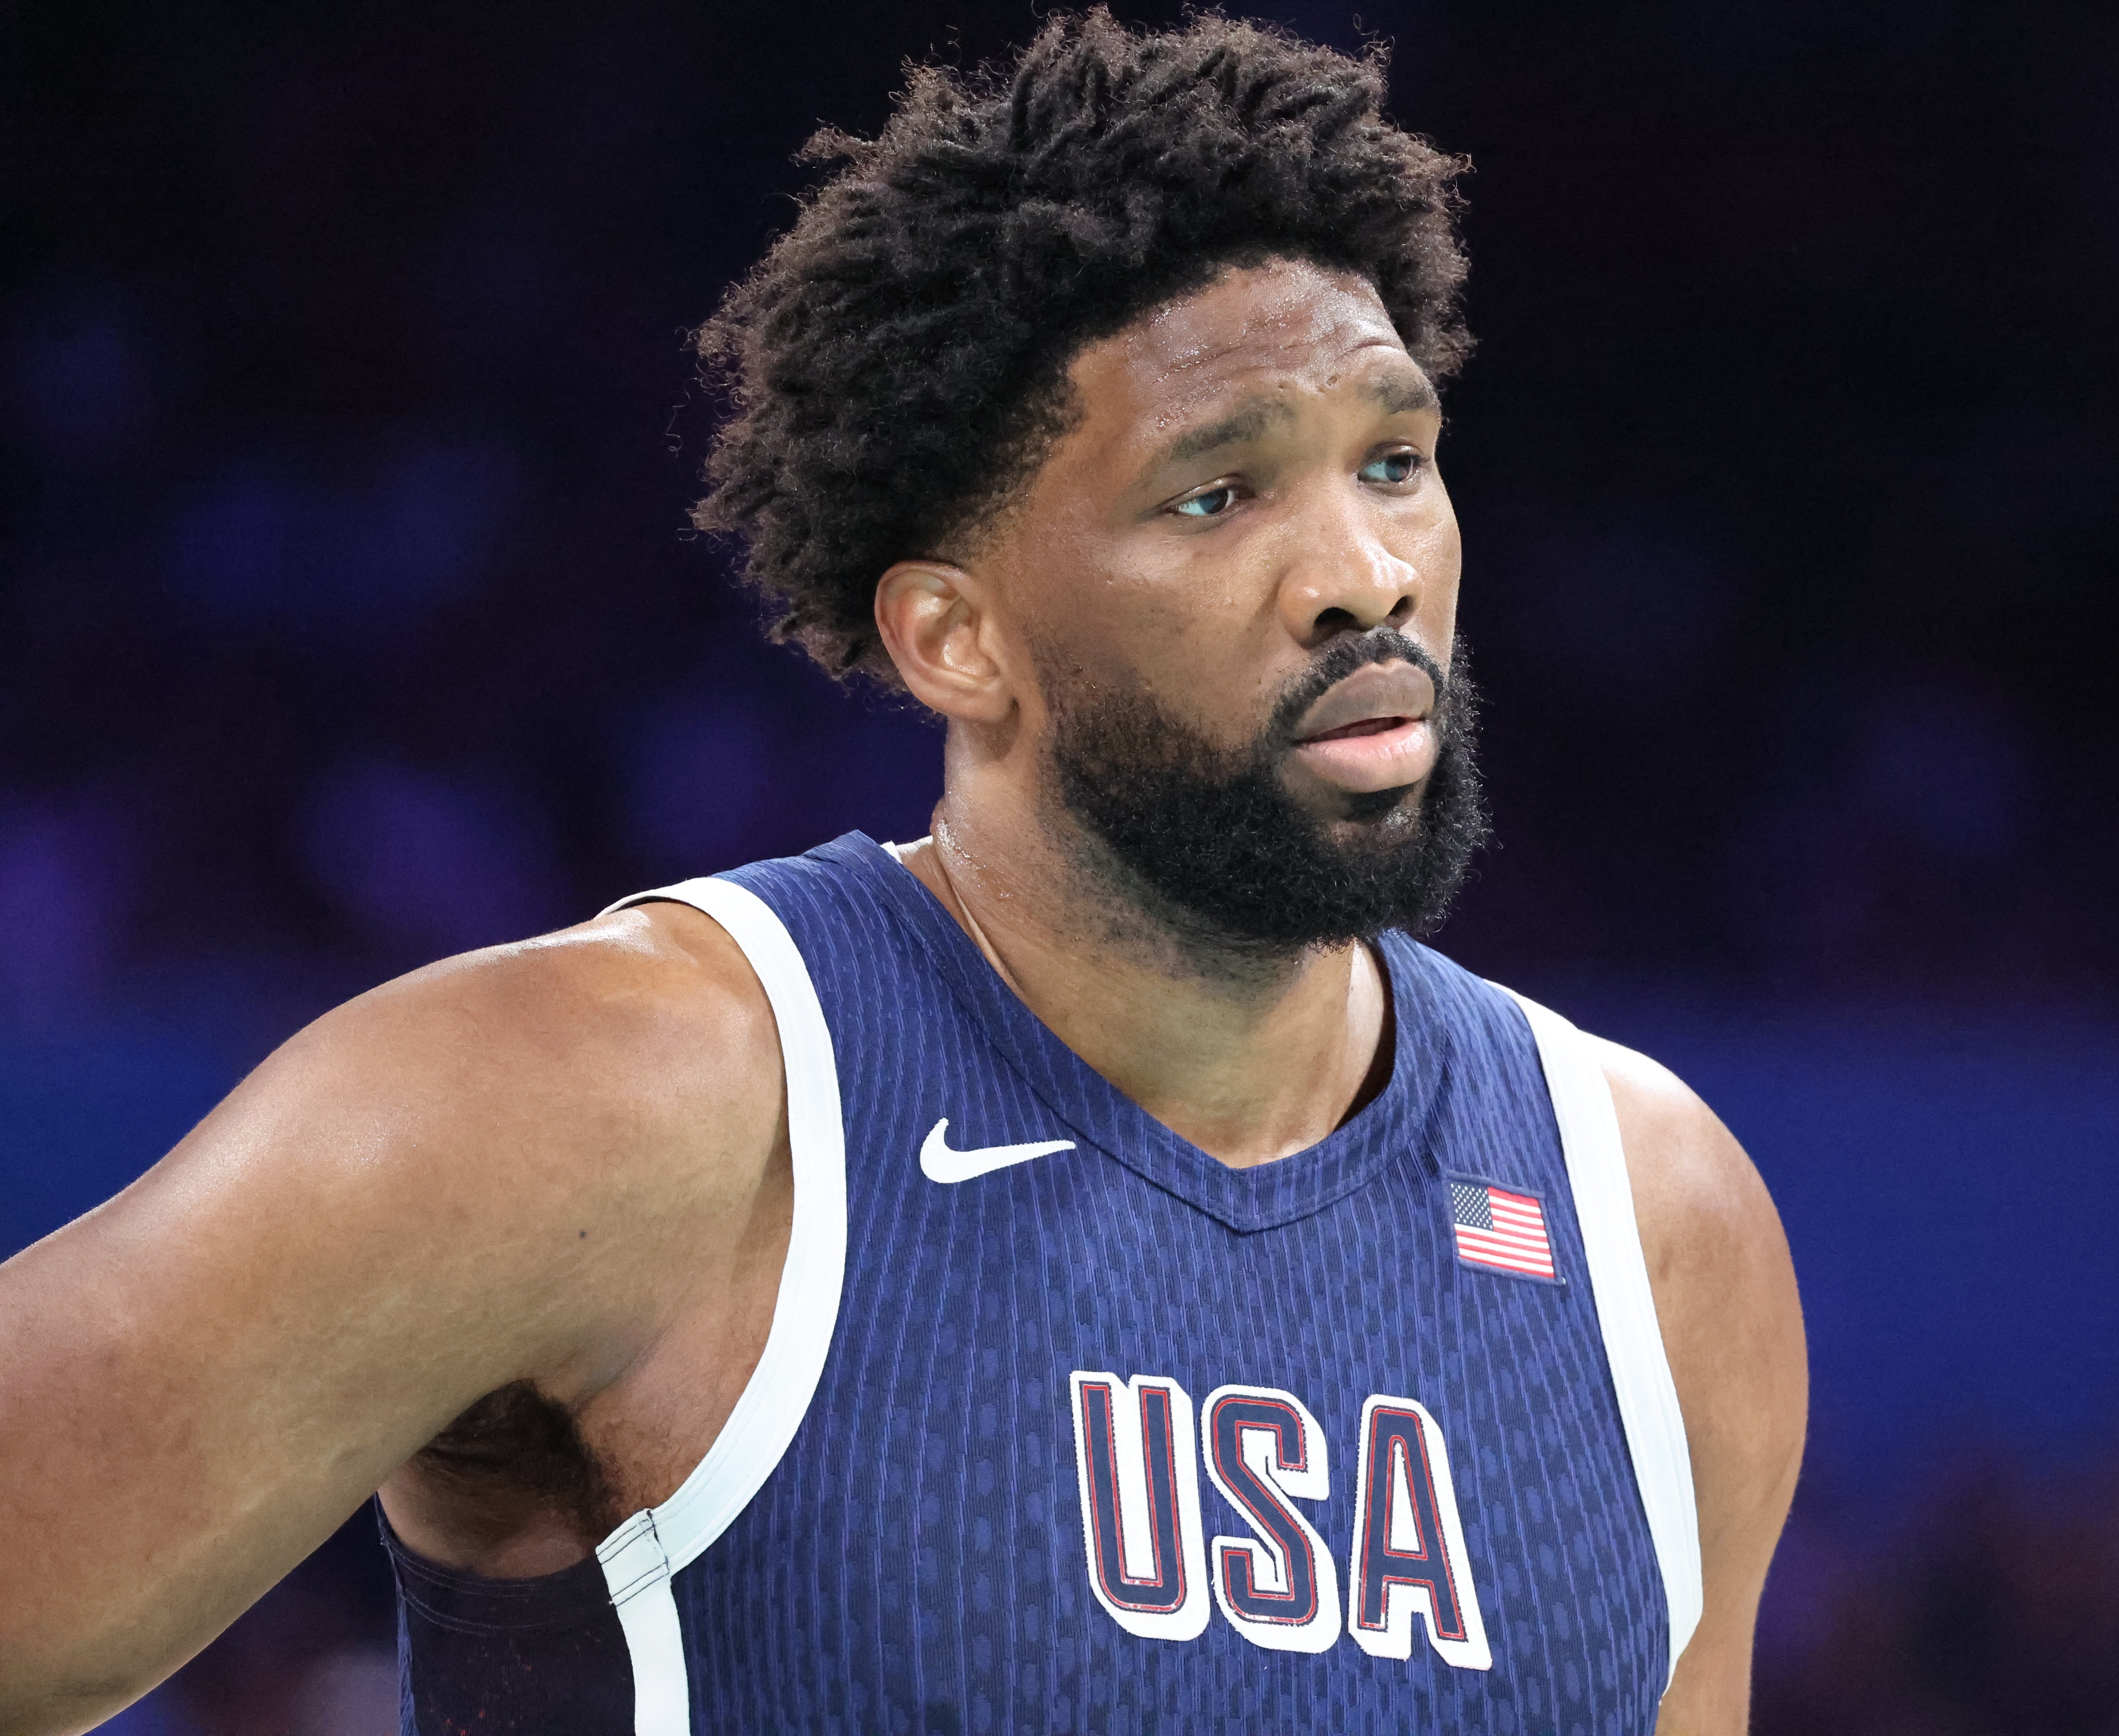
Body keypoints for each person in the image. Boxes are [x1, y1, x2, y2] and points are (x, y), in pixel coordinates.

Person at [0, 13, 1805, 1733]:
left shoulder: (1657, 1228)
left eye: (1395, 463)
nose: (1365, 574)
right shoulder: (615, 1105)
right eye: (1218, 494)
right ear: (956, 637)